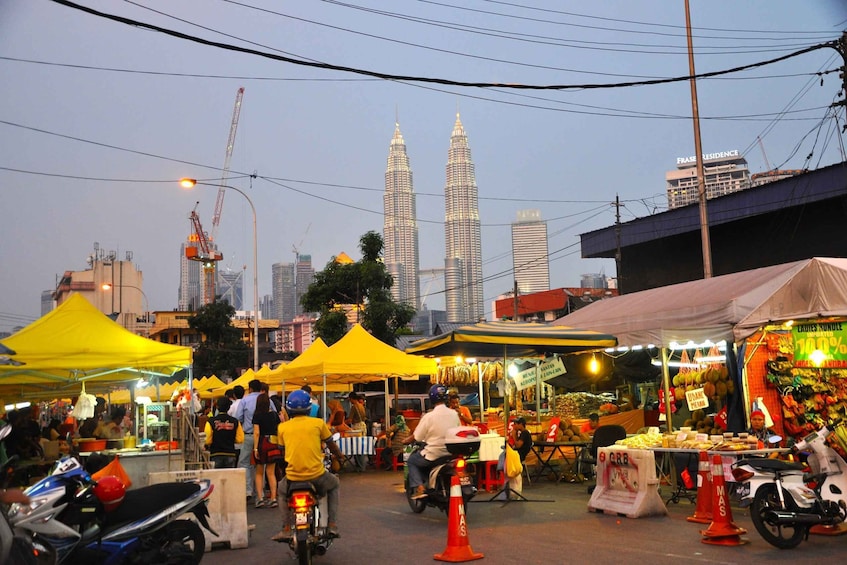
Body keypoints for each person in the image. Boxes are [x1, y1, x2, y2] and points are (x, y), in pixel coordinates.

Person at [272, 389, 343, 542]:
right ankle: (331, 524)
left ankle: (285, 528)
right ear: (309, 408)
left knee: (281, 492)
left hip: (292, 477)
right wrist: (340, 456)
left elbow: (282, 451)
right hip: (317, 475)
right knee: (335, 484)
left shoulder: (282, 427)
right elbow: (331, 444)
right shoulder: (318, 424)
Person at [407, 384, 460, 499]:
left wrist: (405, 440)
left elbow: (417, 437)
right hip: (450, 453)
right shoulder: (454, 414)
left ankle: (420, 488)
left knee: (412, 461)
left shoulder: (429, 416)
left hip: (434, 454)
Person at [234, 379, 263, 502]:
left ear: (250, 388)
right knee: (261, 464)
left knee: (244, 462)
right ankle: (260, 492)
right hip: (262, 437)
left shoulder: (245, 400)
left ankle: (248, 490)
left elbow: (238, 418)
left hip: (248, 435)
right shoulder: (265, 399)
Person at [252, 393, 282, 509]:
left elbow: (257, 432)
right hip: (273, 443)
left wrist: (255, 448)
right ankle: (273, 498)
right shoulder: (274, 415)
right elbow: (279, 429)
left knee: (259, 472)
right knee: (271, 472)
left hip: (262, 443)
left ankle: (260, 498)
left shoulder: (257, 416)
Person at [204, 397, 244, 469]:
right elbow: (240, 439)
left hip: (215, 453)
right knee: (229, 477)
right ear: (229, 408)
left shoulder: (210, 421)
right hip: (230, 453)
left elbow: (207, 440)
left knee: (216, 477)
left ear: (217, 407)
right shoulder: (235, 421)